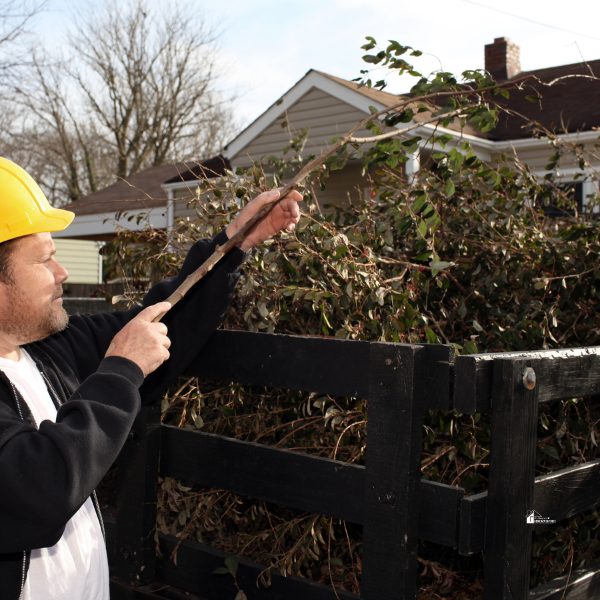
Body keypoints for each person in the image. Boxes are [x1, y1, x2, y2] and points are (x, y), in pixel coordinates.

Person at [0, 157, 301, 600]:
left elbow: (163, 326)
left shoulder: (46, 348)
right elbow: (38, 492)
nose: (62, 273)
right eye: (45, 259)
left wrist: (234, 242)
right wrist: (121, 370)